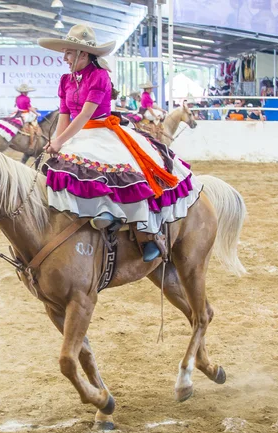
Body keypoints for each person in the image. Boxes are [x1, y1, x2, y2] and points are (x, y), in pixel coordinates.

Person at [37, 24, 202, 262]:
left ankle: (148, 232)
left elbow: (84, 115)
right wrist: (56, 141)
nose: (64, 58)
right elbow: (64, 114)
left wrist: (61, 139)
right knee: (61, 170)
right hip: (77, 133)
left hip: (101, 130)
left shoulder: (99, 76)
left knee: (125, 172)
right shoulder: (66, 80)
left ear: (83, 54)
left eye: (69, 53)